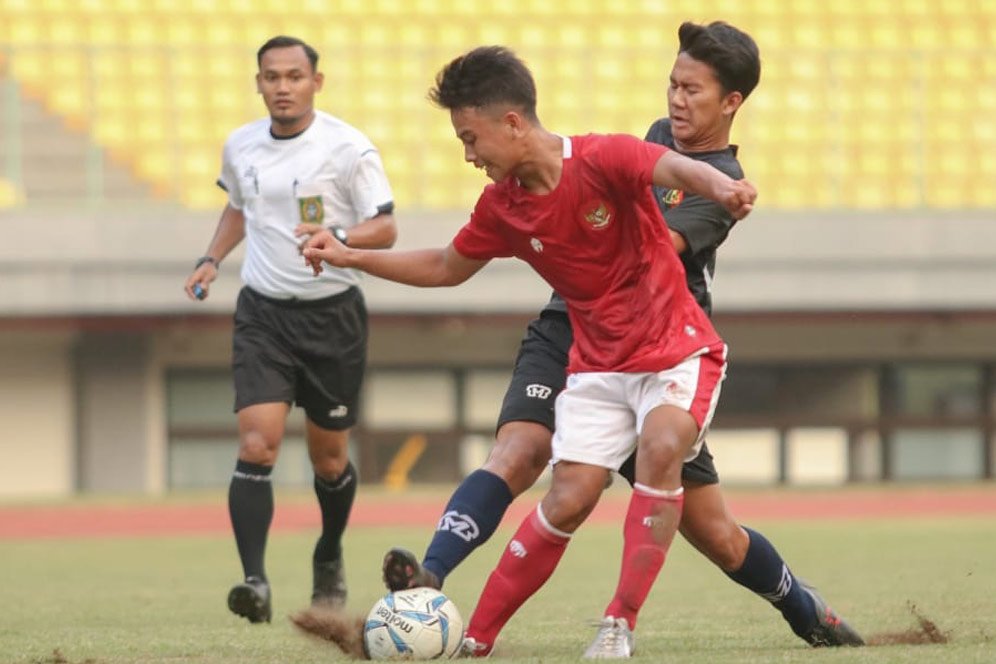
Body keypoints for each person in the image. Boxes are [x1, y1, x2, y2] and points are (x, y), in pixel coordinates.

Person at [380, 21, 864, 653]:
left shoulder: (719, 182)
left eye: (692, 89)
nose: (675, 100)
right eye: (672, 84)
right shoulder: (660, 141)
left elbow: (639, 250)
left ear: (731, 102)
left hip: (657, 344)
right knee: (520, 451)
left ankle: (803, 607)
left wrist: (559, 214)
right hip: (574, 331)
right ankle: (430, 579)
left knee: (715, 533)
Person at [303, 45, 755, 658]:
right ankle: (460, 619)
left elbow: (679, 173)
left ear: (512, 123)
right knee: (553, 483)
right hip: (588, 351)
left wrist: (723, 187)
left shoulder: (607, 156)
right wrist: (351, 256)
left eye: (471, 138)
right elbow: (444, 265)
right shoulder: (503, 206)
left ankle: (631, 621)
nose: (467, 155)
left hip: (669, 347)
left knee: (707, 516)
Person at [183, 35, 397, 624]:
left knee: (330, 461)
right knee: (258, 444)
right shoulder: (241, 145)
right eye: (271, 77)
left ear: (315, 83)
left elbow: (386, 229)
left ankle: (328, 553)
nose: (282, 87)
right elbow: (239, 207)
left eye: (294, 76)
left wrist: (342, 239)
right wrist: (211, 258)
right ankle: (254, 580)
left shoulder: (348, 147)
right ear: (258, 83)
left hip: (334, 315)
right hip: (263, 313)